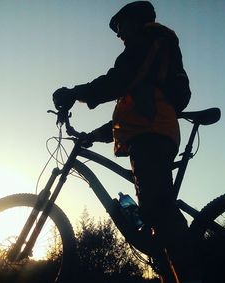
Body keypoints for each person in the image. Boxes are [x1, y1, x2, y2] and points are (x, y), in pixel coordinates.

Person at [53, 2, 197, 282]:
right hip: (149, 131)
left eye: (120, 26)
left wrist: (75, 93)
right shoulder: (147, 61)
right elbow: (134, 110)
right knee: (156, 218)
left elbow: (118, 80)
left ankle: (193, 275)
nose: (118, 34)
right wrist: (93, 136)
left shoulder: (148, 41)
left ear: (135, 21)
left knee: (158, 211)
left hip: (153, 134)